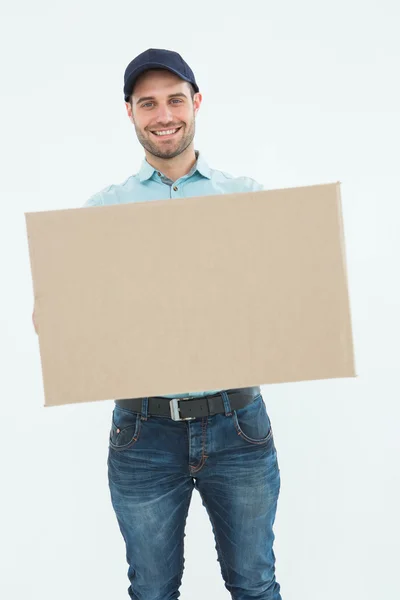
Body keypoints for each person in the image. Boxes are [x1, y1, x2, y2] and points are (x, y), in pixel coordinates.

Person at [33, 48, 282, 600]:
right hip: (143, 433)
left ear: (196, 103)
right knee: (150, 589)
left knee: (255, 584)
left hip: (238, 426)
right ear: (130, 112)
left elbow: (287, 299)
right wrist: (54, 315)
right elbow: (68, 322)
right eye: (148, 103)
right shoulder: (102, 212)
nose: (163, 114)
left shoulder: (247, 199)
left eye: (174, 99)